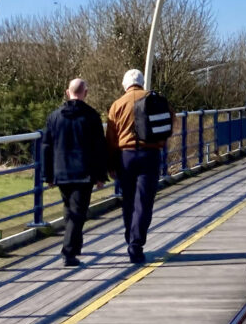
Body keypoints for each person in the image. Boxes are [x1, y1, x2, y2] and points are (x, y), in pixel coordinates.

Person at [106, 69, 171, 264]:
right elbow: (168, 125)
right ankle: (136, 243)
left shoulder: (117, 105)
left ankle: (130, 237)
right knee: (144, 201)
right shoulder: (155, 99)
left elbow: (110, 138)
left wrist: (111, 163)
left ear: (125, 85)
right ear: (142, 83)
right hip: (150, 154)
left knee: (128, 200)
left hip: (126, 156)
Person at [42, 78, 107, 267]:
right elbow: (99, 148)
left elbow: (46, 147)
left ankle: (73, 248)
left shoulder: (54, 117)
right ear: (85, 93)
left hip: (61, 171)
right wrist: (101, 175)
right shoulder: (92, 116)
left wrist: (48, 175)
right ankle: (68, 252)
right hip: (84, 172)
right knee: (78, 213)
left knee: (70, 211)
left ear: (67, 92)